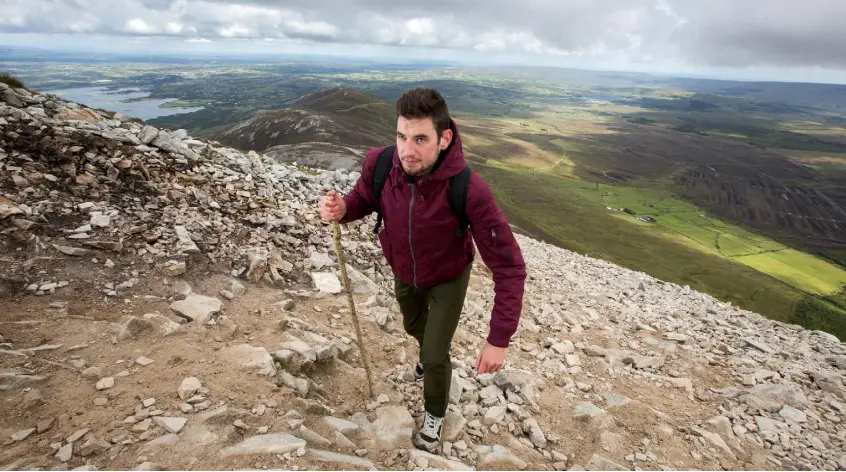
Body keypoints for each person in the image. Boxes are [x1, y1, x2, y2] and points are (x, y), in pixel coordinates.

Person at [318, 87, 526, 453]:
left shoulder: (470, 190)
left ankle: (435, 412)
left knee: (433, 354)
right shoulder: (380, 164)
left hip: (448, 276)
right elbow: (365, 198)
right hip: (403, 269)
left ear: (444, 139)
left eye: (419, 139)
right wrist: (343, 210)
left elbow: (509, 267)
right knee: (414, 326)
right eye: (401, 136)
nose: (406, 150)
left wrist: (498, 339)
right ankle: (430, 356)